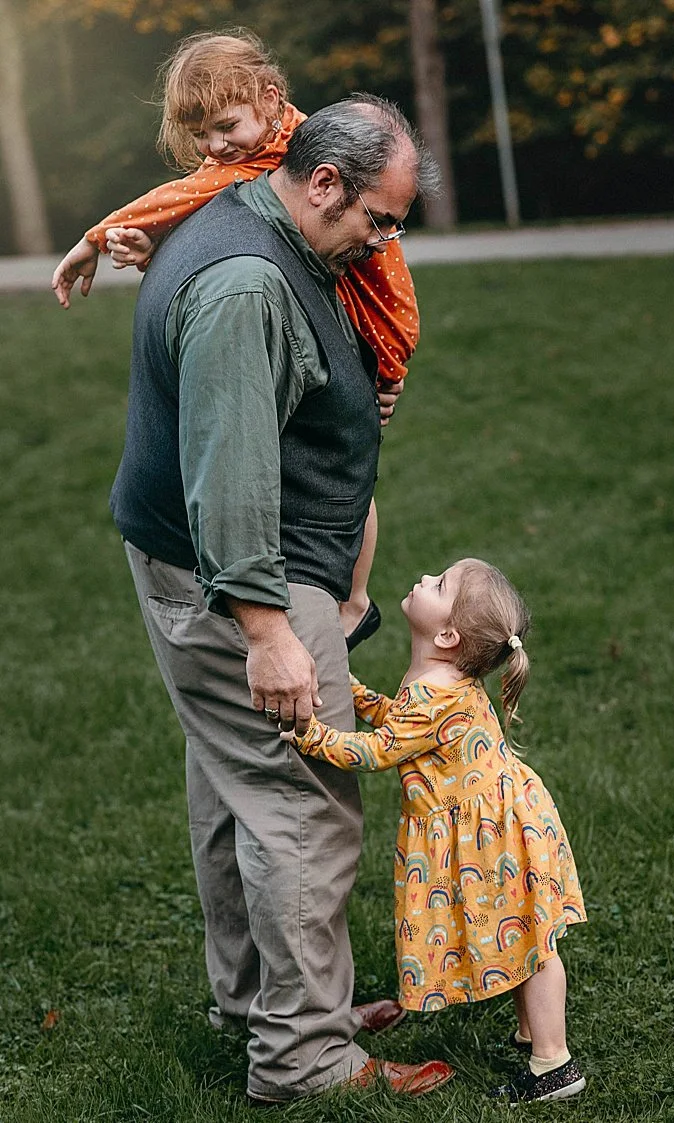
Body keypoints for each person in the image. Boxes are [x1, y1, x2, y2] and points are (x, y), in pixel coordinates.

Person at [112, 92, 450, 1103]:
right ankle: (303, 1057)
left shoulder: (269, 226)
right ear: (321, 181)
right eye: (376, 219)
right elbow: (228, 468)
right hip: (244, 577)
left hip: (232, 561)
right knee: (303, 803)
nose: (383, 241)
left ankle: (263, 999)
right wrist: (267, 630)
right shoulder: (247, 285)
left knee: (238, 785)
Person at [55, 29, 413, 648]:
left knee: (352, 448)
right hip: (202, 554)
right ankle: (352, 600)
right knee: (351, 450)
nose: (215, 147)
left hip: (378, 320)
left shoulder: (289, 154)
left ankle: (353, 598)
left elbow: (182, 197)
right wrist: (157, 248)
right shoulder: (270, 162)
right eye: (201, 137)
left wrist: (96, 236)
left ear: (271, 98)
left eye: (224, 127)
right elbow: (210, 216)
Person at [284, 558, 588, 1104]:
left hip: (489, 839)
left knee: (535, 946)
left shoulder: (435, 693)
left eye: (439, 584)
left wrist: (308, 733)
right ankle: (532, 1032)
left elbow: (375, 751)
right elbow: (402, 722)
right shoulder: (442, 683)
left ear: (448, 635)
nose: (424, 579)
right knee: (524, 934)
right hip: (505, 825)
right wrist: (352, 693)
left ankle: (553, 1064)